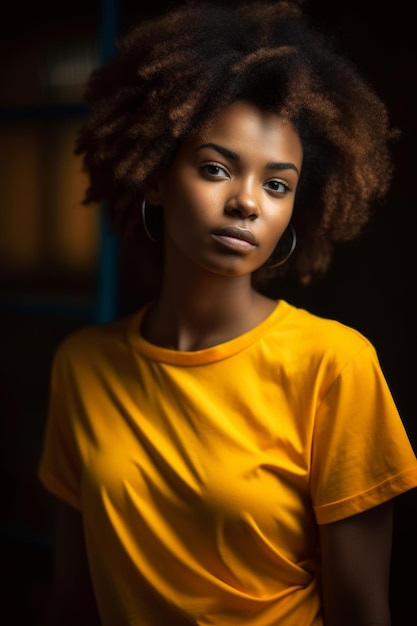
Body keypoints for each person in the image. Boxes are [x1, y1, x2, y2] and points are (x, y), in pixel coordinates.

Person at [38, 1, 417, 625]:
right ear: (157, 179)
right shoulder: (83, 366)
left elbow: (360, 610)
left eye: (277, 184)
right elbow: (72, 601)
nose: (246, 202)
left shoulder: (335, 365)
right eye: (216, 169)